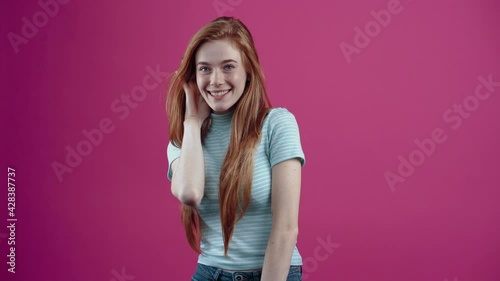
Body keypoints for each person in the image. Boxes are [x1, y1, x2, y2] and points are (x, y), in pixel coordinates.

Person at [166, 16, 306, 281]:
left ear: (248, 71)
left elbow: (286, 229)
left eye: (228, 67)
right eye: (205, 69)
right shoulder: (183, 139)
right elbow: (189, 193)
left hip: (272, 274)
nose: (216, 80)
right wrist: (193, 123)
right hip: (209, 273)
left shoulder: (277, 124)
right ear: (193, 77)